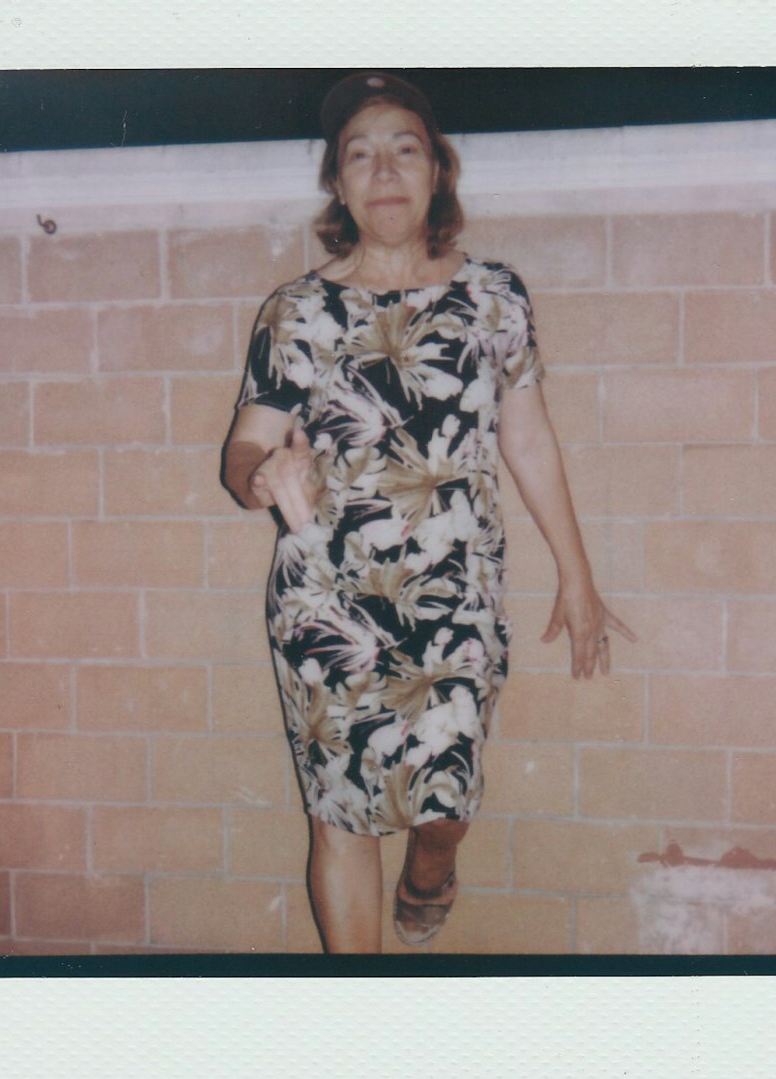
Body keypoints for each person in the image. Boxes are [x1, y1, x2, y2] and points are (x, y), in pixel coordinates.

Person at [221, 71, 633, 954]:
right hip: (327, 597)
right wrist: (262, 479)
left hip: (456, 592)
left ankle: (432, 869)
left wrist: (579, 575)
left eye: (404, 148)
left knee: (443, 805)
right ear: (337, 182)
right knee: (343, 817)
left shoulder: (494, 298)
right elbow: (243, 449)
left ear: (438, 169)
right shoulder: (296, 312)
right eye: (358, 154)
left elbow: (528, 440)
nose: (383, 170)